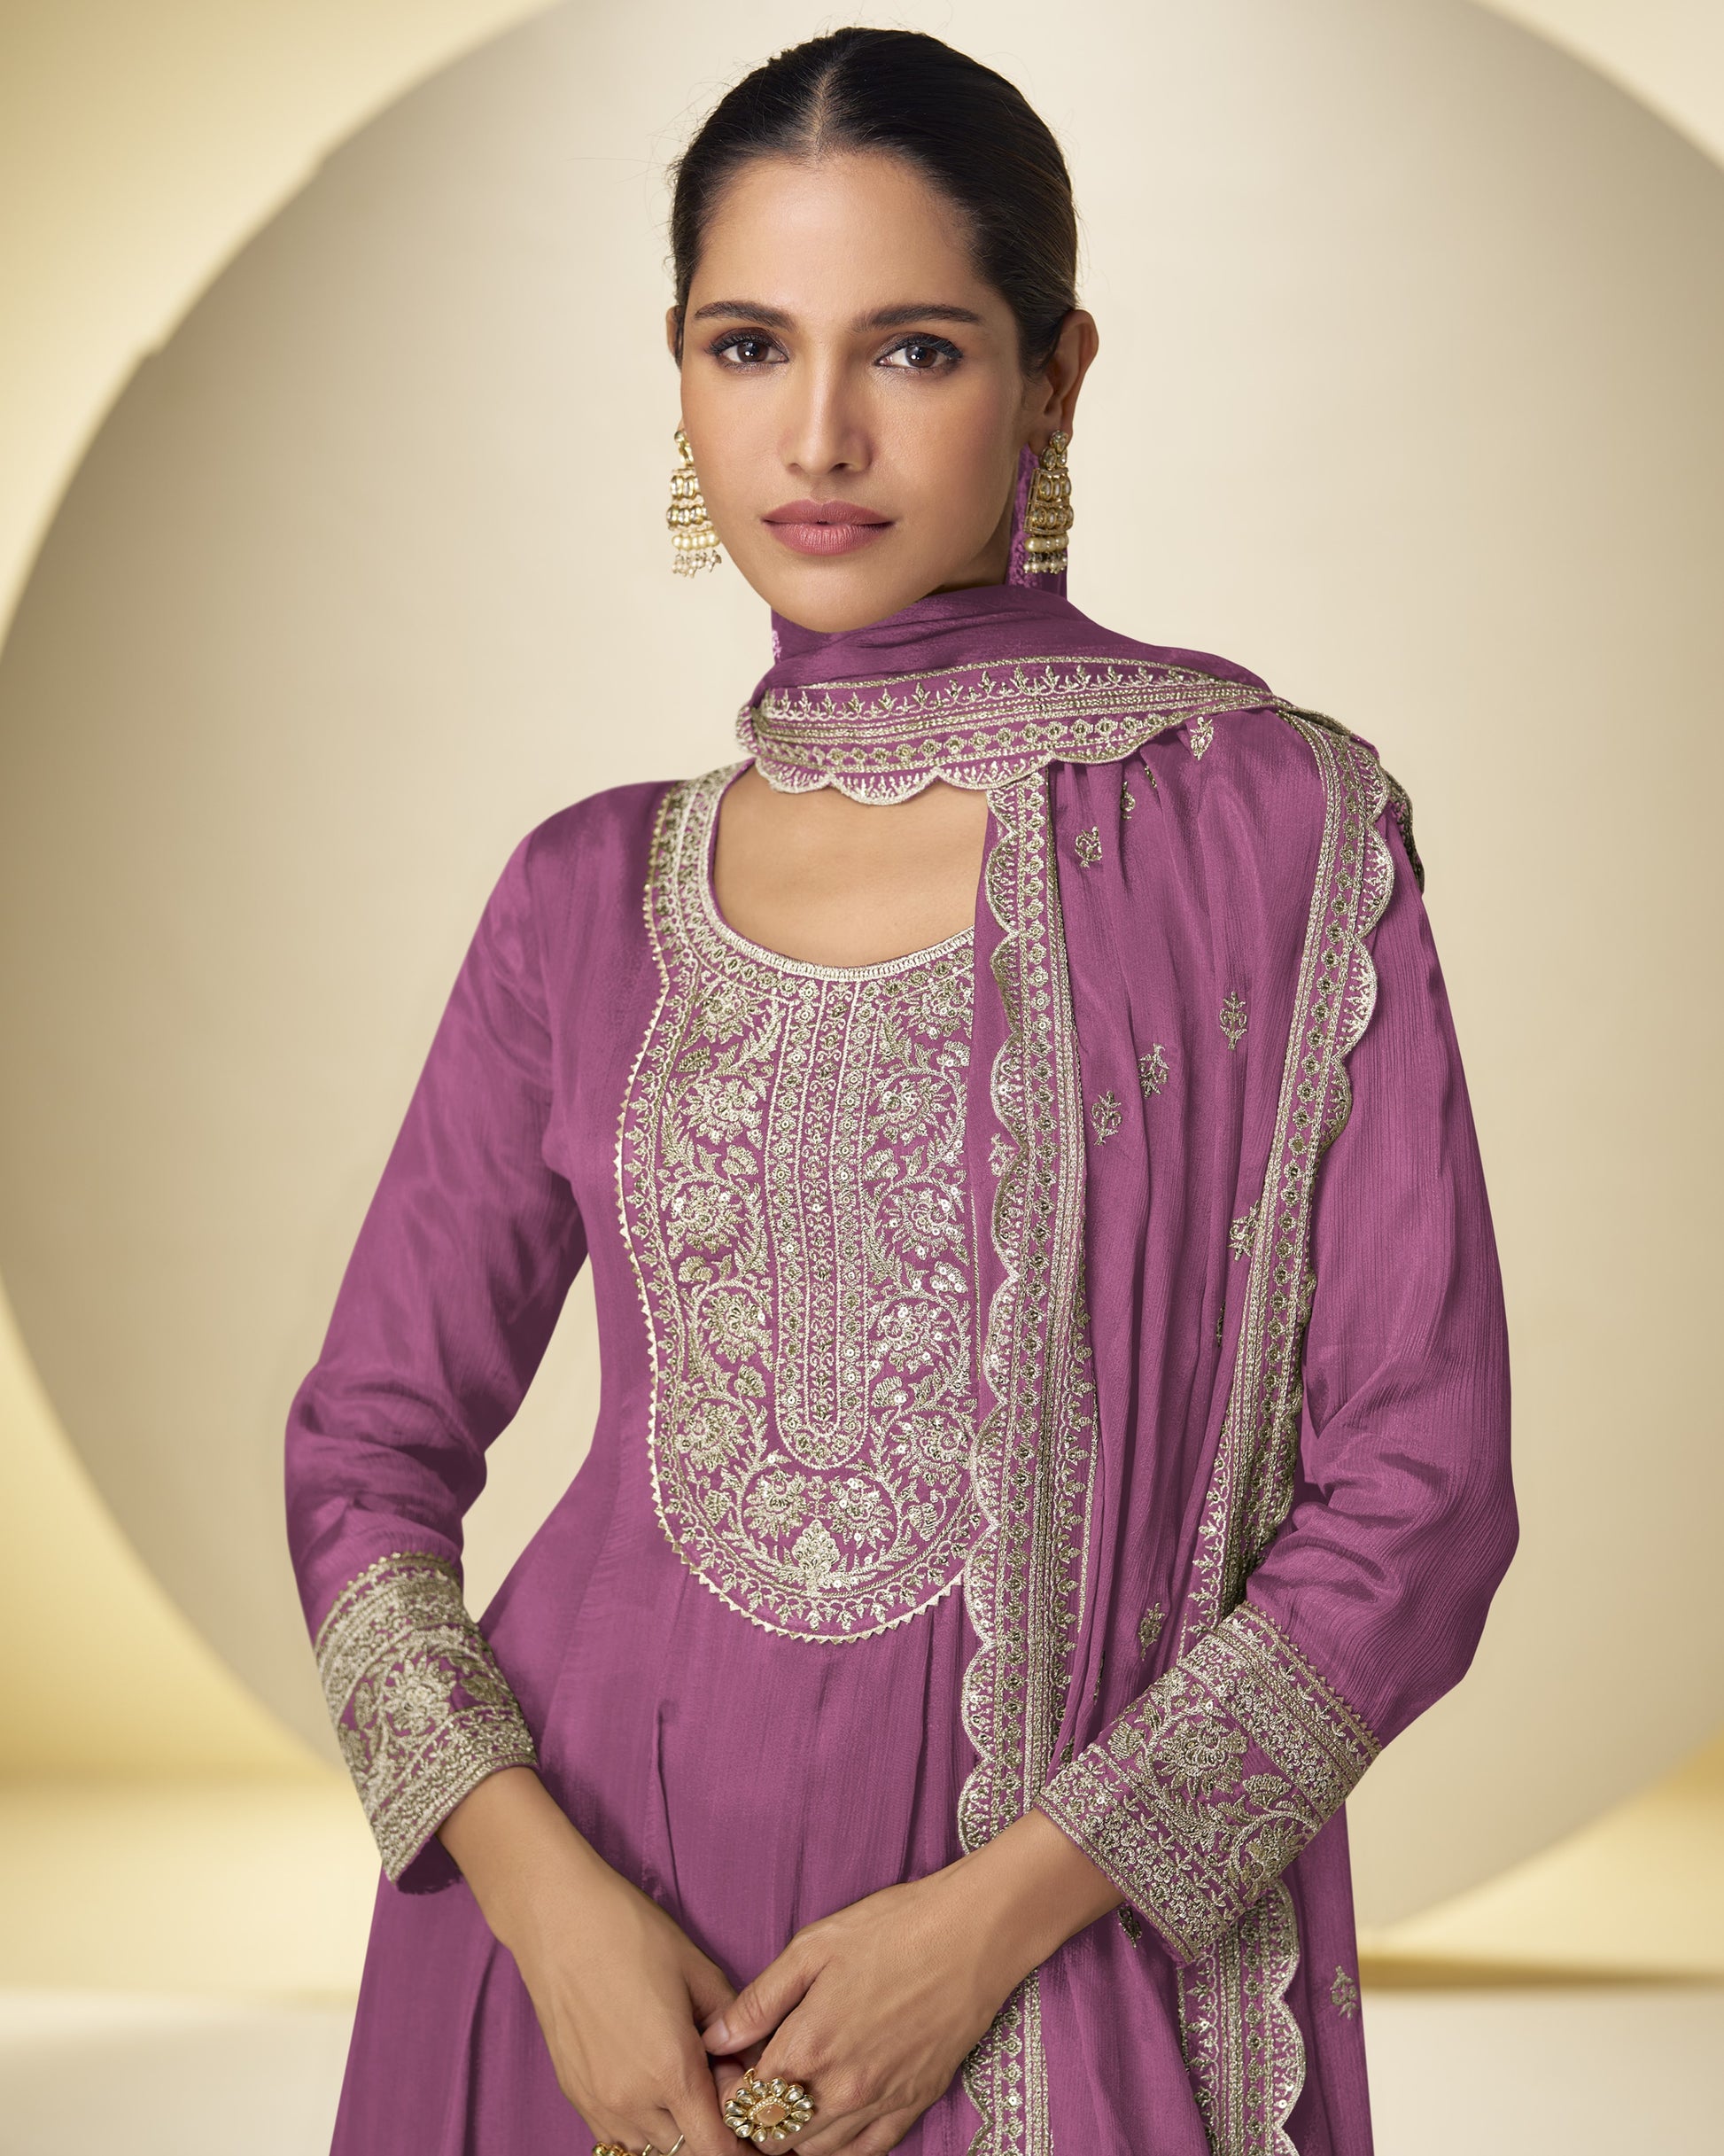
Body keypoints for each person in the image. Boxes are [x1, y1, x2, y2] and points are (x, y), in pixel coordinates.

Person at [284, 27, 1515, 2156]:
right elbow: (366, 1458)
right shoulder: (588, 890)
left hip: (1061, 1963)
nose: (820, 433)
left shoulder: (1277, 834)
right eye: (750, 344)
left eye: (916, 350)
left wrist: (997, 1918)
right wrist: (535, 1892)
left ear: (1053, 378)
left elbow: (1421, 1494)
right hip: (585, 1991)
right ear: (675, 373)